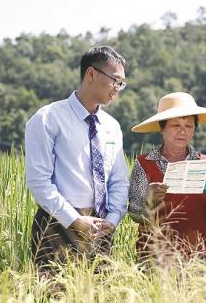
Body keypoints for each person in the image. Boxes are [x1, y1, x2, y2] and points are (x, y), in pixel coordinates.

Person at [25, 46, 129, 277]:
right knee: (55, 296)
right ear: (91, 74)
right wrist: (74, 220)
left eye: (122, 83)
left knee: (101, 297)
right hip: (56, 226)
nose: (118, 88)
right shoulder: (48, 118)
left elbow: (119, 181)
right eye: (115, 80)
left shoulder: (112, 126)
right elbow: (39, 182)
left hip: (101, 230)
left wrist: (111, 220)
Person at [128, 92, 206, 263]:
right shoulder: (144, 164)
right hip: (152, 259)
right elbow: (134, 214)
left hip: (196, 258)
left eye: (189, 126)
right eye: (175, 125)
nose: (182, 131)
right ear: (162, 127)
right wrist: (149, 201)